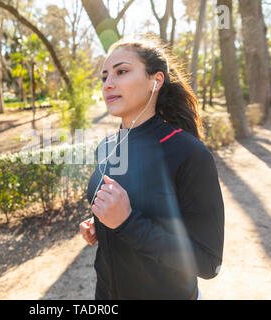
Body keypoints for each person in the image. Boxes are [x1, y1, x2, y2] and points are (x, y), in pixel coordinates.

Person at [79, 33, 225, 300]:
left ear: (155, 81)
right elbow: (142, 207)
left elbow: (208, 261)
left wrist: (126, 222)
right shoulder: (107, 146)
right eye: (104, 76)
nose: (108, 84)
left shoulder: (189, 153)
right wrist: (100, 225)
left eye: (121, 71)